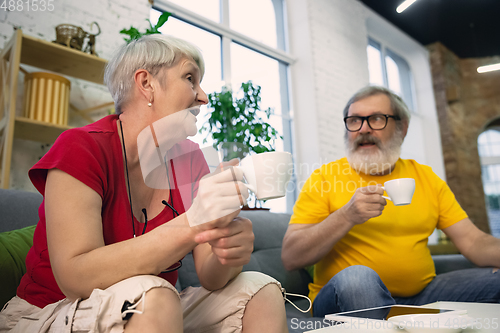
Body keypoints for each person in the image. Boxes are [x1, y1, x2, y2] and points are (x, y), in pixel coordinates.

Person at [0, 34, 287, 333]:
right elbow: (76, 278)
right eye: (190, 78)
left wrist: (229, 251)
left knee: (260, 290)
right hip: (53, 310)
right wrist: (195, 223)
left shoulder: (190, 160)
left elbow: (211, 278)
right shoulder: (81, 147)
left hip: (153, 308)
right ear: (146, 83)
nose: (203, 96)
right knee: (154, 297)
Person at [281, 85, 500, 317]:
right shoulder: (324, 177)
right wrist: (347, 215)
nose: (363, 129)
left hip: (423, 296)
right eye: (354, 120)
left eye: (376, 119)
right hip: (349, 296)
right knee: (358, 279)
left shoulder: (426, 177)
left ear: (402, 127)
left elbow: (474, 241)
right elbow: (291, 257)